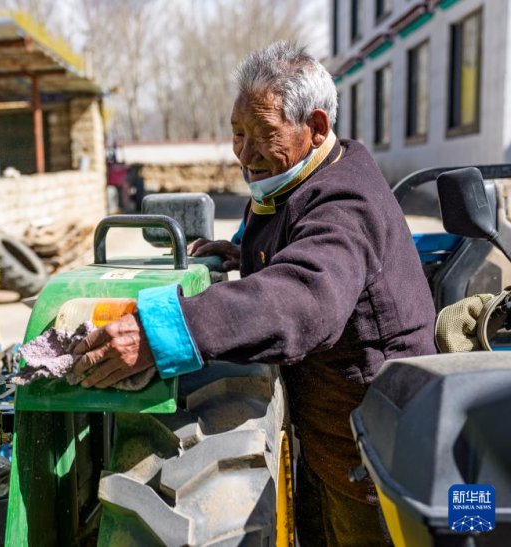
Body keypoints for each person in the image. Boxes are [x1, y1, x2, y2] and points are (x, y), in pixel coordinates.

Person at [73, 41, 437, 546]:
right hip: (326, 438)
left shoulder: (346, 200)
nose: (244, 154)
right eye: (237, 134)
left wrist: (163, 330)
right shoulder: (292, 180)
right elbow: (293, 240)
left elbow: (306, 297)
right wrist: (243, 253)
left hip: (376, 458)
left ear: (316, 127)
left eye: (263, 134)